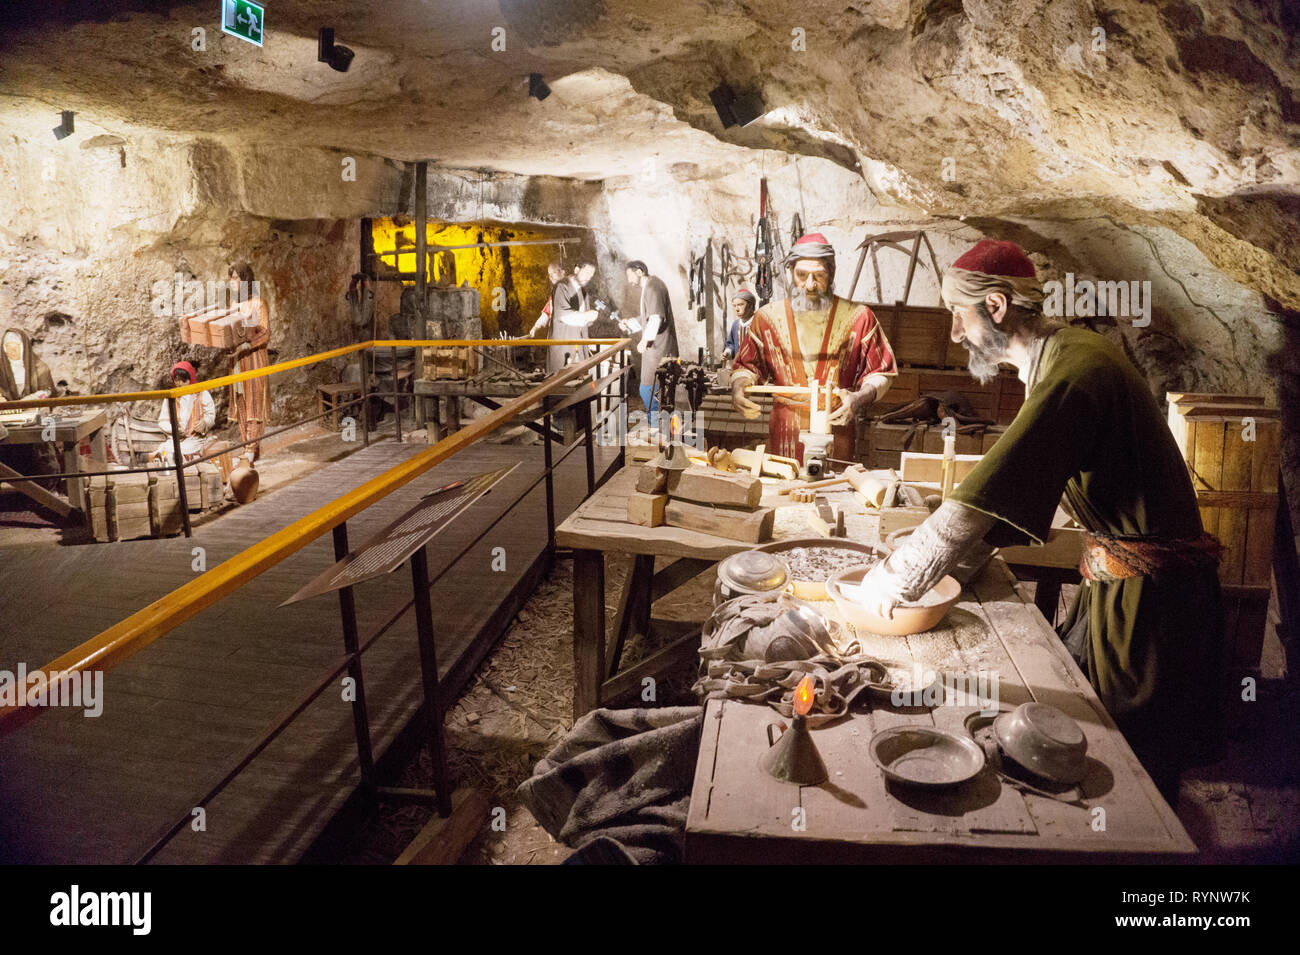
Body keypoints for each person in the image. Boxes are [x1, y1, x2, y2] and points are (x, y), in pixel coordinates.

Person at [855, 238, 1223, 804]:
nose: (954, 333)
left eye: (959, 315)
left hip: (1151, 603)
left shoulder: (1078, 369)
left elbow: (988, 493)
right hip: (1121, 584)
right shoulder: (1061, 355)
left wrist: (900, 578)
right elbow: (1022, 482)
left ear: (997, 308)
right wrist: (964, 569)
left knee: (1133, 766)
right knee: (1094, 731)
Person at [731, 232, 898, 461]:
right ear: (790, 273)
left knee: (835, 489)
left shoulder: (860, 317)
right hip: (785, 430)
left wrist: (857, 399)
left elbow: (880, 372)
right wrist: (739, 387)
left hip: (836, 425)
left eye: (818, 275)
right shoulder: (766, 318)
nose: (809, 285)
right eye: (801, 275)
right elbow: (747, 366)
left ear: (832, 273)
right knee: (781, 486)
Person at [626, 260, 679, 427]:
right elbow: (648, 317)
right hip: (655, 350)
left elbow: (656, 318)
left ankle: (658, 430)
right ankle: (658, 428)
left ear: (639, 271)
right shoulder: (650, 286)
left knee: (650, 390)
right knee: (650, 390)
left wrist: (644, 340)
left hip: (659, 350)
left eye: (629, 275)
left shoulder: (653, 286)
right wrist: (630, 323)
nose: (629, 280)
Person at [227, 262, 270, 463]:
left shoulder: (258, 303)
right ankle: (247, 447)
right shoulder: (232, 307)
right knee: (241, 402)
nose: (232, 281)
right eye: (231, 277)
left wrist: (245, 346)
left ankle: (251, 450)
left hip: (253, 358)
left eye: (236, 277)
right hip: (237, 361)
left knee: (254, 402)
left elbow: (265, 332)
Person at [153, 361, 216, 465]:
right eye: (177, 380)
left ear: (190, 379)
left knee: (177, 452)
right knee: (163, 449)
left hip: (195, 440)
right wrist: (173, 430)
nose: (180, 384)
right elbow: (162, 421)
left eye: (183, 380)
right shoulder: (170, 397)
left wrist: (204, 423)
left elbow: (211, 415)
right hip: (175, 440)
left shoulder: (202, 394)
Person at [545, 262, 600, 375]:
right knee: (561, 382)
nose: (588, 277)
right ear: (576, 270)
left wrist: (591, 317)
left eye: (591, 275)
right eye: (586, 273)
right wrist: (586, 316)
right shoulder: (562, 286)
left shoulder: (583, 292)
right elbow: (562, 314)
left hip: (579, 344)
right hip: (564, 343)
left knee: (581, 381)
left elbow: (586, 322)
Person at [0, 328, 55, 402]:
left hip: (34, 409)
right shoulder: (1, 368)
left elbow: (48, 392)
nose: (12, 351)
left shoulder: (40, 368)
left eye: (16, 347)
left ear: (24, 348)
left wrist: (31, 399)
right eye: (8, 347)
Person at [528, 263, 567, 338]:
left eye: (554, 273)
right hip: (556, 337)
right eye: (549, 274)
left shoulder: (572, 290)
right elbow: (546, 313)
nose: (550, 277)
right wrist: (536, 327)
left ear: (563, 272)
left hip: (569, 336)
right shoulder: (555, 293)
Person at [722, 288, 756, 361]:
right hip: (739, 368)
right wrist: (728, 352)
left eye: (740, 305)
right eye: (734, 305)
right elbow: (731, 344)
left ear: (751, 306)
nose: (737, 309)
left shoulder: (758, 323)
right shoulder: (736, 325)